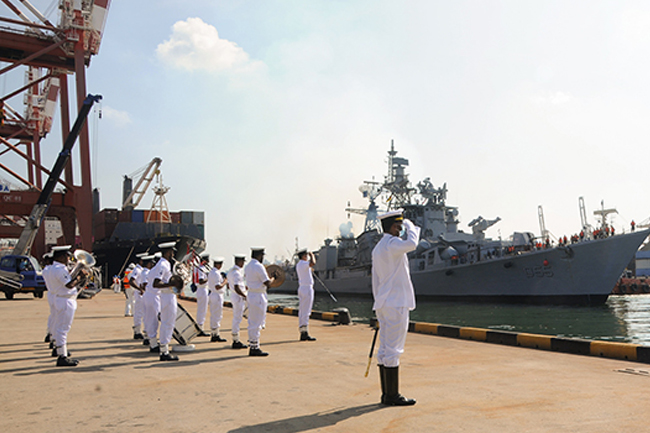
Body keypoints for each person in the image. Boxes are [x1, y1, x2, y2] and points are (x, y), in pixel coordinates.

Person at [372, 209, 420, 406]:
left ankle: (386, 395)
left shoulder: (378, 248)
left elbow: (375, 281)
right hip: (396, 303)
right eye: (399, 227)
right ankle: (392, 396)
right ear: (392, 227)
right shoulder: (392, 244)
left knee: (385, 349)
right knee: (394, 350)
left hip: (384, 304)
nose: (401, 231)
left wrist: (378, 303)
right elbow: (412, 243)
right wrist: (412, 226)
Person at [41, 245, 87, 367]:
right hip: (65, 300)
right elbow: (69, 285)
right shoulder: (60, 270)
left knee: (58, 326)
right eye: (67, 256)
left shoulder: (50, 269)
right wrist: (80, 276)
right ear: (61, 257)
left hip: (58, 298)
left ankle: (59, 349)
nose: (68, 258)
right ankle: (62, 356)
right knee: (63, 329)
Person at [151, 242, 180, 361]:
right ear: (168, 252)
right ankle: (164, 352)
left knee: (168, 322)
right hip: (167, 296)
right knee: (167, 323)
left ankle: (164, 349)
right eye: (172, 252)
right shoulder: (163, 264)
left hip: (168, 295)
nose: (172, 254)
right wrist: (172, 284)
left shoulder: (164, 264)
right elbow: (156, 283)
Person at [244, 247, 275, 357]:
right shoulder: (259, 266)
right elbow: (268, 283)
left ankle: (253, 344)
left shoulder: (247, 266)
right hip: (258, 296)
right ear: (259, 255)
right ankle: (254, 347)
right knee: (257, 323)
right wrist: (273, 279)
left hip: (251, 294)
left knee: (252, 322)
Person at [296, 248, 316, 341]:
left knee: (302, 311)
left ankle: (303, 331)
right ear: (303, 256)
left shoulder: (299, 265)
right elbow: (313, 263)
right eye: (306, 255)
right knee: (306, 311)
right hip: (307, 288)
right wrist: (312, 255)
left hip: (302, 288)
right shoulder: (304, 263)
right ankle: (305, 333)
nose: (307, 257)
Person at [228, 254, 248, 349]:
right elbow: (236, 287)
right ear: (239, 261)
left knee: (236, 318)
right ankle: (236, 340)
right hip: (238, 297)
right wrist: (245, 295)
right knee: (237, 319)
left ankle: (236, 339)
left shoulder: (231, 271)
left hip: (234, 296)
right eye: (243, 261)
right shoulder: (237, 273)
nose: (243, 263)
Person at [143, 252, 162, 353]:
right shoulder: (157, 270)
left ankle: (152, 341)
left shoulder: (152, 270)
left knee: (150, 319)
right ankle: (153, 344)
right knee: (153, 320)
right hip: (153, 296)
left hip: (149, 295)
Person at [208, 257, 228, 342]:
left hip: (213, 294)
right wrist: (225, 281)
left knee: (214, 315)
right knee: (217, 315)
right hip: (217, 295)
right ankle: (215, 334)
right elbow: (218, 286)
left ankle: (214, 333)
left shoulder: (212, 272)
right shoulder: (216, 273)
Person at [129, 253, 146, 339]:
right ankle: (137, 332)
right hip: (139, 294)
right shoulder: (137, 270)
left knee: (141, 312)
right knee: (139, 313)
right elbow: (131, 281)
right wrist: (140, 289)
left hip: (142, 293)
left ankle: (138, 331)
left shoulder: (141, 269)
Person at [194, 251, 210, 336]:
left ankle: (201, 327)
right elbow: (201, 281)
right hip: (202, 289)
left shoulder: (201, 268)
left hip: (203, 289)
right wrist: (208, 277)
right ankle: (200, 328)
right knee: (202, 310)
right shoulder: (201, 268)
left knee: (202, 309)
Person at [41, 252, 55, 347]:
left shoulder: (46, 270)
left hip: (52, 294)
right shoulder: (51, 269)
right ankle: (53, 338)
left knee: (53, 315)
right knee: (56, 318)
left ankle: (50, 333)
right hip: (57, 294)